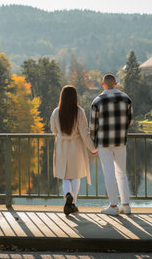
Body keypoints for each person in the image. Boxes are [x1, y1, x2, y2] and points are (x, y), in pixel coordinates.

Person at [50, 85, 98, 215]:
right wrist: (93, 148)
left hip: (61, 146)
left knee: (65, 176)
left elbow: (53, 129)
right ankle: (73, 204)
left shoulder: (56, 112)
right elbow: (84, 133)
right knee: (76, 176)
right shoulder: (79, 112)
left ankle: (67, 195)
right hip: (76, 147)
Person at [90, 74, 133, 216]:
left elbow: (93, 126)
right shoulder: (126, 99)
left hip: (104, 142)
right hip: (120, 141)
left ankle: (113, 206)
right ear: (115, 83)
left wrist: (94, 143)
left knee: (109, 173)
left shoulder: (97, 101)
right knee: (122, 173)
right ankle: (126, 206)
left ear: (103, 85)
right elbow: (130, 120)